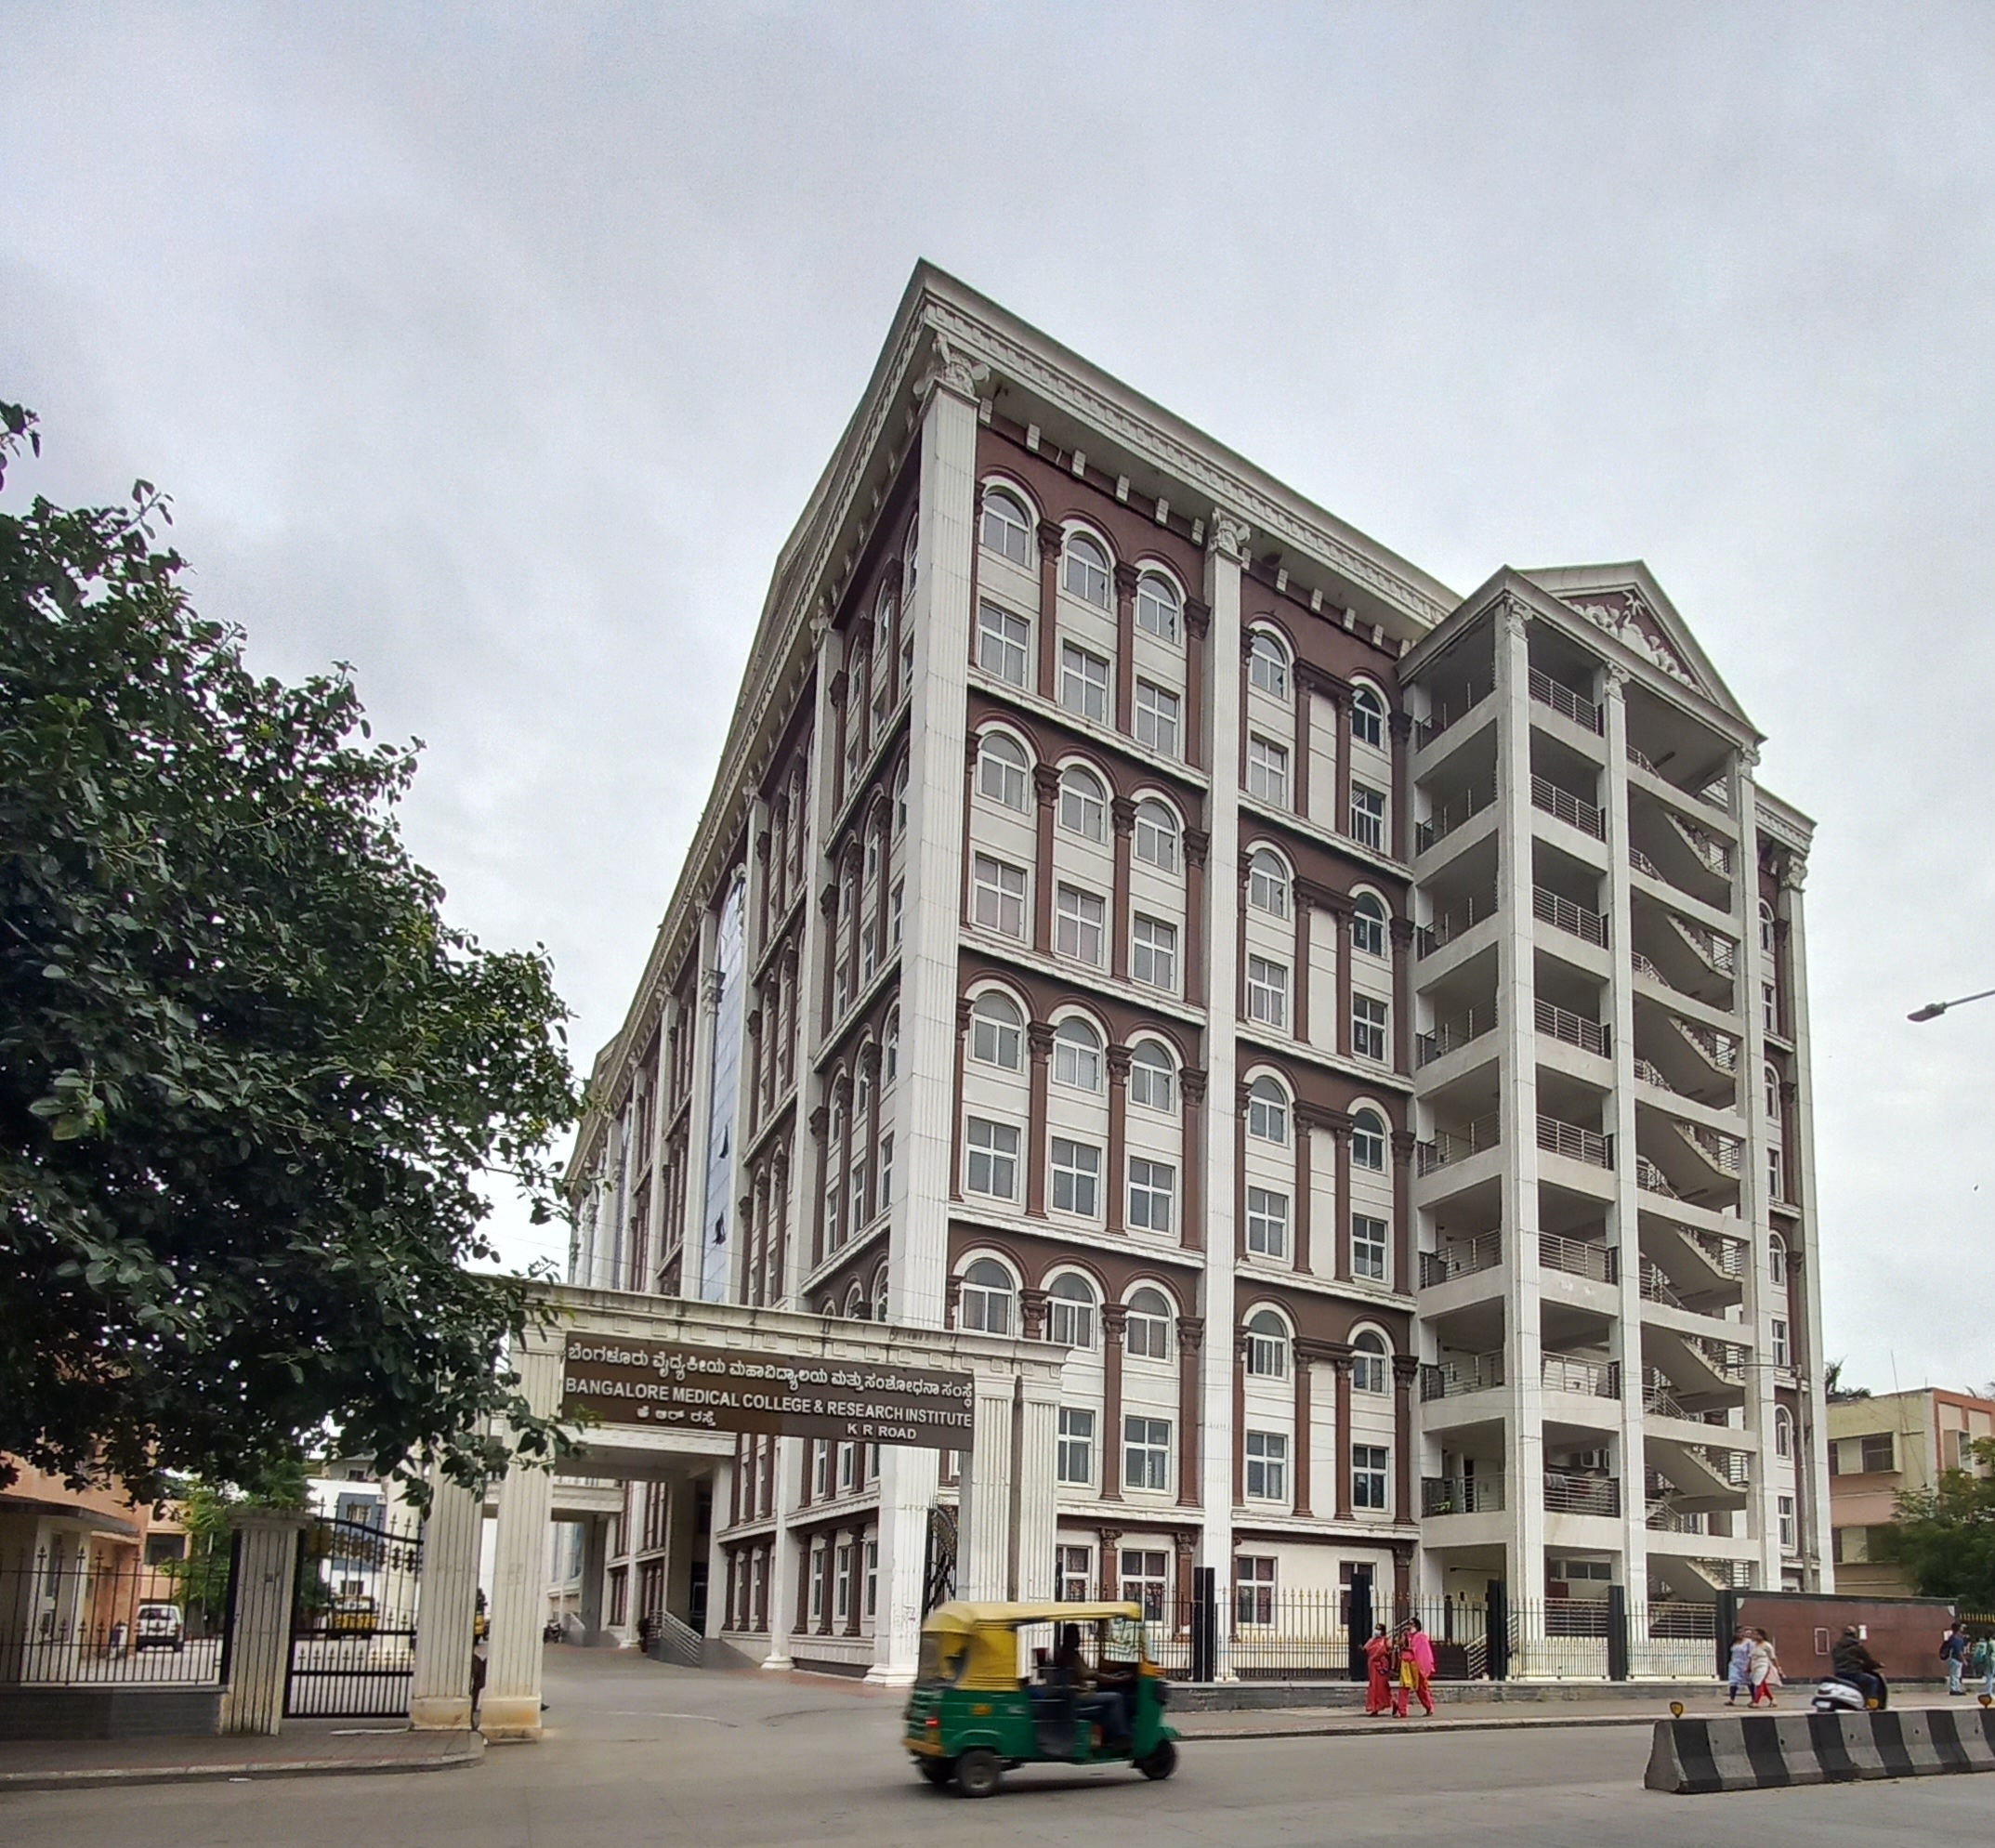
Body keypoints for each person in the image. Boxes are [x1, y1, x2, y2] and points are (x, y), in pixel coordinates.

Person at [1831, 1625, 1887, 1710]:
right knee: (1873, 1681)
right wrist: (1878, 1665)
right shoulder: (1857, 1647)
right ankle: (1873, 1705)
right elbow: (1868, 1660)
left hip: (1839, 1673)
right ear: (1854, 1635)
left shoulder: (1837, 1648)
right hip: (1853, 1673)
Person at [1393, 1616, 1437, 1718]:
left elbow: (1423, 1652)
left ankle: (1429, 1707)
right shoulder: (1406, 1636)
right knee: (1403, 1687)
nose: (1409, 1626)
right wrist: (1403, 1636)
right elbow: (1400, 1645)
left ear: (1416, 1626)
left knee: (1421, 1688)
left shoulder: (1421, 1637)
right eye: (1408, 1624)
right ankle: (1402, 1711)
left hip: (1416, 1665)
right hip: (1406, 1664)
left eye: (1411, 1624)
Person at [1362, 1623, 1394, 1716]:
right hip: (1372, 1665)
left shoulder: (1386, 1640)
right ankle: (1374, 1707)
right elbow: (1365, 1648)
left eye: (1378, 1629)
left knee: (1382, 1686)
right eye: (1375, 1628)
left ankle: (1391, 1702)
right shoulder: (1372, 1640)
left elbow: (1390, 1651)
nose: (1376, 1631)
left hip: (1381, 1666)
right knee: (1373, 1686)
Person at [1747, 1629, 1779, 1707]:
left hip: (1763, 1665)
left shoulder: (1767, 1645)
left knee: (1759, 1683)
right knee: (1761, 1683)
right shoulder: (1754, 1645)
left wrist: (1778, 1668)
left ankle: (1756, 1701)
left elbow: (1773, 1657)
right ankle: (1772, 1699)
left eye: (1757, 1634)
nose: (1754, 1636)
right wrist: (1748, 1666)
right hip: (1755, 1666)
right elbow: (1751, 1657)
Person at [1940, 1620, 1969, 1696]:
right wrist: (1964, 1660)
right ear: (1959, 1628)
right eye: (1961, 1627)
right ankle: (1954, 1689)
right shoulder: (1957, 1639)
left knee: (1955, 1674)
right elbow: (1959, 1651)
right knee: (1955, 1675)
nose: (1963, 1629)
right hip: (1955, 1659)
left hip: (1952, 1658)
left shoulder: (1952, 1638)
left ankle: (1956, 1688)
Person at [1726, 1628, 1752, 1705]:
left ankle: (1754, 1698)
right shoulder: (1734, 1643)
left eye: (1741, 1632)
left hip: (1745, 1664)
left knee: (1749, 1681)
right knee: (1733, 1680)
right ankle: (1732, 1699)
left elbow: (1751, 1654)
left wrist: (1749, 1665)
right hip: (1734, 1664)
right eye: (1737, 1632)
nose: (1739, 1634)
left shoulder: (1748, 1642)